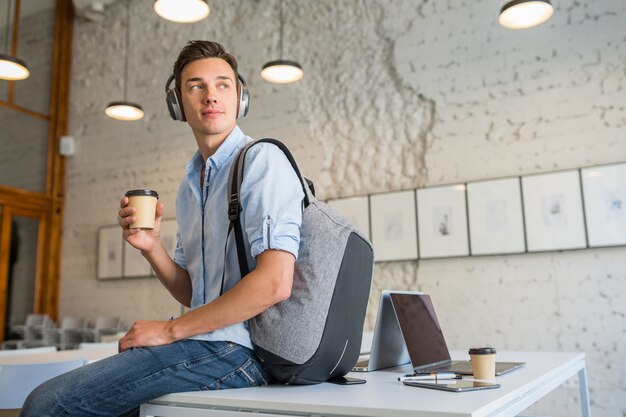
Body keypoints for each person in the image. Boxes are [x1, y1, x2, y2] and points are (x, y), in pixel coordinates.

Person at [21, 40, 304, 417]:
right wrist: (151, 246)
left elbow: (274, 283)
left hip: (241, 351)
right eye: (195, 86)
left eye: (223, 84)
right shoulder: (190, 186)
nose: (210, 96)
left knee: (46, 405)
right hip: (205, 344)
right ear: (178, 105)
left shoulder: (262, 162)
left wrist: (169, 331)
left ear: (240, 96)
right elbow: (193, 292)